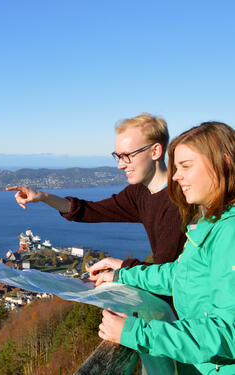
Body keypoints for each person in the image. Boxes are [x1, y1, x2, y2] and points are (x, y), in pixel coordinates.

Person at [97, 122, 235, 374]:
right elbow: (180, 275)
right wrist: (122, 274)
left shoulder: (231, 232)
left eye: (186, 166)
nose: (175, 176)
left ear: (224, 163)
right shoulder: (213, 222)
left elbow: (228, 333)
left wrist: (134, 332)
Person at [7, 113, 186, 282]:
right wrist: (43, 196)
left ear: (155, 151)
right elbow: (91, 211)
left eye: (127, 156)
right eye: (118, 156)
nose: (120, 166)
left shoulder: (178, 203)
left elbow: (167, 276)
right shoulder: (140, 193)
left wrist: (121, 268)